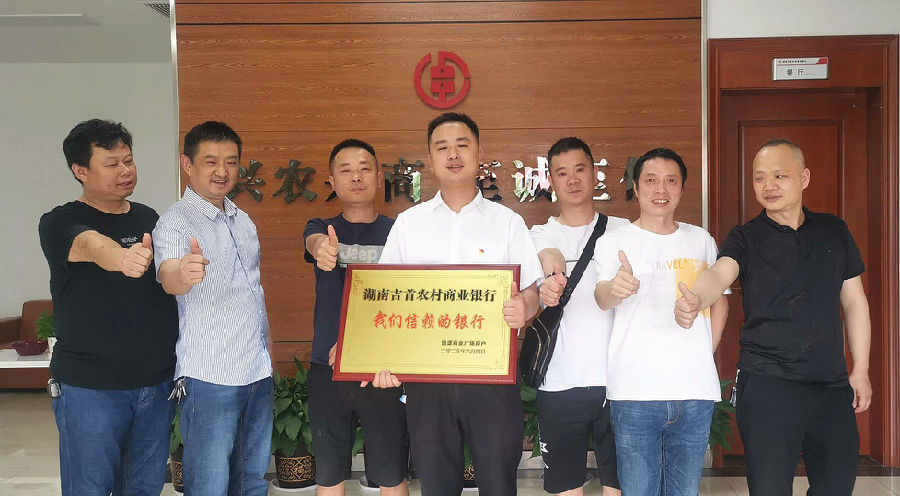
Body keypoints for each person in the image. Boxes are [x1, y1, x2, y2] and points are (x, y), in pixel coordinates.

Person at [674, 139, 872, 496]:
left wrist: (860, 370)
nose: (769, 185)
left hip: (830, 385)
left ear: (804, 178)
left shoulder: (833, 231)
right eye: (759, 177)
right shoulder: (745, 237)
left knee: (836, 487)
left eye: (780, 175)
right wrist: (697, 298)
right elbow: (719, 273)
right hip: (768, 385)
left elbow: (855, 302)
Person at [375, 112, 543, 496]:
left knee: (499, 484)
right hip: (427, 381)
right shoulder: (409, 224)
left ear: (479, 154)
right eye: (442, 147)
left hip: (492, 379)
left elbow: (531, 291)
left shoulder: (507, 222)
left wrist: (526, 306)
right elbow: (386, 297)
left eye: (462, 145)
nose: (453, 155)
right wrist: (382, 358)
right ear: (430, 159)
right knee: (436, 484)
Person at [38, 118, 178, 495]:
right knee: (91, 488)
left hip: (154, 383)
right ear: (80, 170)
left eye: (128, 161)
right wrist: (122, 258)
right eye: (112, 163)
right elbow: (90, 245)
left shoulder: (149, 218)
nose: (125, 171)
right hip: (91, 387)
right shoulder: (59, 221)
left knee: (144, 488)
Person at [593, 147, 728, 496]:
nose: (661, 190)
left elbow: (720, 302)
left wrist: (704, 349)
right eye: (651, 181)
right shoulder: (614, 243)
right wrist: (615, 289)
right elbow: (601, 297)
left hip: (694, 392)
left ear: (682, 189)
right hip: (634, 393)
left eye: (671, 181)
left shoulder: (700, 240)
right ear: (636, 188)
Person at [153, 121, 273, 496]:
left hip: (257, 372)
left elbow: (253, 294)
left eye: (231, 162)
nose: (222, 171)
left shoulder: (242, 219)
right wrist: (183, 273)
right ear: (187, 164)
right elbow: (168, 276)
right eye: (210, 162)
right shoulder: (175, 221)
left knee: (251, 480)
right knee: (209, 484)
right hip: (210, 376)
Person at [304, 139, 409, 495]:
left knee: (391, 474)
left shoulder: (400, 232)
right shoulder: (321, 227)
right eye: (345, 170)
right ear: (331, 181)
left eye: (365, 169)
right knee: (329, 475)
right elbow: (314, 242)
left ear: (379, 178)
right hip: (327, 368)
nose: (356, 177)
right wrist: (322, 249)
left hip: (383, 372)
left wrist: (360, 350)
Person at [529, 137, 626, 496]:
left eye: (580, 169)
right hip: (559, 382)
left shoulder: (624, 231)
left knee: (621, 486)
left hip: (619, 383)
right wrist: (549, 277)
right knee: (565, 488)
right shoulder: (538, 235)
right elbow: (545, 260)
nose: (572, 180)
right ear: (551, 180)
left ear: (594, 172)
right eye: (562, 173)